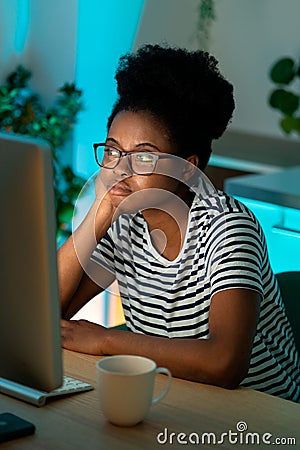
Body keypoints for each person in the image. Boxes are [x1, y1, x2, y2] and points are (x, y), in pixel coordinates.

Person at [59, 44, 300, 402]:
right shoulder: (126, 224)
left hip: (265, 414)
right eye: (112, 151)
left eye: (143, 156)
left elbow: (225, 363)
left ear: (187, 168)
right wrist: (98, 213)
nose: (120, 168)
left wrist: (107, 339)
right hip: (177, 402)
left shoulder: (229, 228)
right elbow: (47, 316)